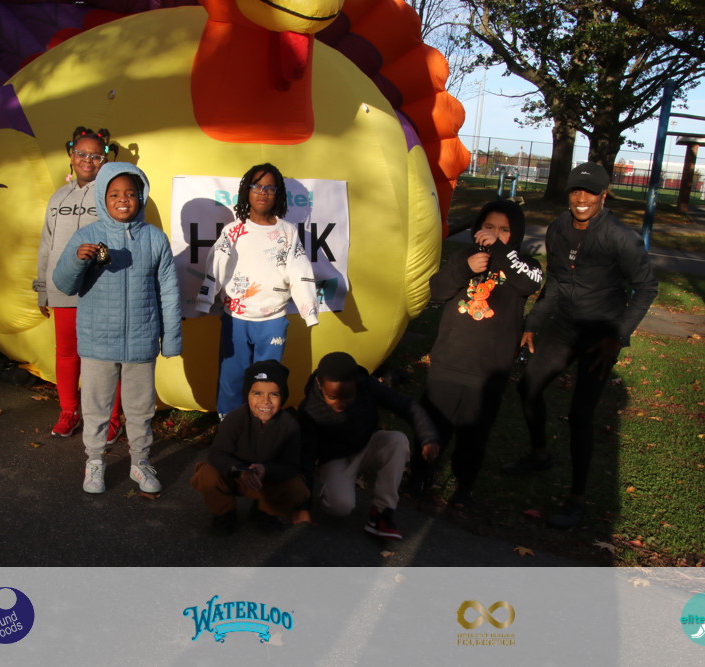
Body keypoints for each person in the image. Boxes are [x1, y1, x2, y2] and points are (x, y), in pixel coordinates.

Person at [504, 162, 657, 529]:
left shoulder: (620, 237)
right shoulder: (558, 227)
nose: (581, 198)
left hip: (600, 334)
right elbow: (557, 282)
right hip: (564, 326)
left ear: (603, 195)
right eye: (575, 191)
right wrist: (534, 323)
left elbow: (646, 288)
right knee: (529, 386)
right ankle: (539, 454)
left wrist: (617, 336)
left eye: (589, 192)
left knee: (580, 415)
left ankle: (576, 499)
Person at [53, 162, 182, 495]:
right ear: (102, 198)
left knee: (141, 409)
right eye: (114, 194)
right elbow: (64, 284)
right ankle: (95, 461)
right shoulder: (87, 236)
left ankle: (140, 462)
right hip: (97, 341)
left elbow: (168, 291)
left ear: (141, 197)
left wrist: (170, 338)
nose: (123, 199)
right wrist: (77, 259)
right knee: (96, 406)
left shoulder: (155, 238)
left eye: (130, 193)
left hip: (141, 340)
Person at [418, 200, 543, 508]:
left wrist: (500, 251)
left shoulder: (524, 264)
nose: (494, 234)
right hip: (449, 361)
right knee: (434, 426)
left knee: (474, 435)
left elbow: (529, 282)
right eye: (489, 227)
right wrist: (465, 268)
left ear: (516, 234)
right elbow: (438, 290)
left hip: (488, 371)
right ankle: (419, 477)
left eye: (504, 230)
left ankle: (464, 486)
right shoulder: (465, 256)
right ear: (477, 229)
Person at [196, 163, 319, 418]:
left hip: (272, 321)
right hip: (236, 319)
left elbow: (300, 271)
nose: (263, 193)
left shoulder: (287, 232)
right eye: (257, 186)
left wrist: (309, 311)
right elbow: (215, 264)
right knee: (231, 377)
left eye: (270, 188)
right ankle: (229, 426)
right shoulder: (233, 231)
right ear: (246, 191)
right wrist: (205, 299)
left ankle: (263, 427)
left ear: (278, 194)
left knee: (267, 382)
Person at [33, 126, 123, 441]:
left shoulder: (113, 194)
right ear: (71, 156)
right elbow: (46, 244)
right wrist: (43, 288)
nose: (88, 160)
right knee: (67, 353)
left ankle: (112, 417)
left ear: (106, 159)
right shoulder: (59, 196)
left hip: (100, 292)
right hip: (63, 289)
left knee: (107, 357)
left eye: (96, 156)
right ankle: (68, 412)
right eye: (81, 153)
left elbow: (122, 241)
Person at [297, 352, 440, 540]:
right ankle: (333, 490)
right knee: (340, 507)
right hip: (335, 459)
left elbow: (407, 406)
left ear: (356, 383)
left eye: (348, 396)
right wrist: (303, 507)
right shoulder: (309, 410)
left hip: (368, 445)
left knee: (398, 441)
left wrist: (428, 437)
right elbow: (306, 459)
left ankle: (381, 514)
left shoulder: (368, 385)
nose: (340, 404)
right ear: (319, 383)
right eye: (332, 397)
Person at [189, 360, 310, 536]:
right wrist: (240, 470)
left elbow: (291, 466)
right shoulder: (234, 419)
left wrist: (266, 470)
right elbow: (217, 454)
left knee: (298, 488)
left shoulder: (289, 426)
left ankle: (265, 512)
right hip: (236, 478)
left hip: (266, 482)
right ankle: (225, 513)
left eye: (274, 394)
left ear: (283, 396)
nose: (265, 401)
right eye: (257, 393)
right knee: (206, 474)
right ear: (247, 394)